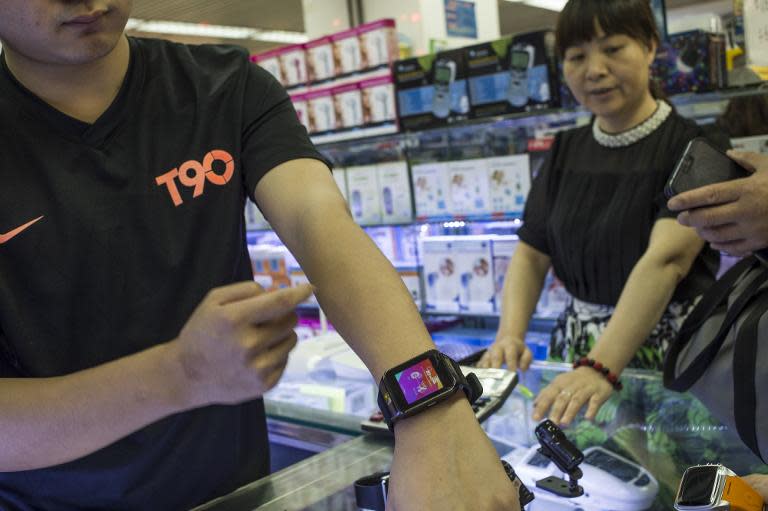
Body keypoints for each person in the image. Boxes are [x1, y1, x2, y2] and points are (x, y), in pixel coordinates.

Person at [0, 1, 520, 510]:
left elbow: (320, 224)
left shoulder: (225, 87)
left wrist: (429, 405)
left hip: (239, 492)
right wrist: (181, 374)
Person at [478, 0, 721, 427]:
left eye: (612, 48)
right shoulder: (564, 150)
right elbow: (532, 253)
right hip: (578, 358)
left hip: (667, 355)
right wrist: (509, 335)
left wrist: (602, 366)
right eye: (577, 56)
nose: (594, 69)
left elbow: (667, 262)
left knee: (669, 483)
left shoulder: (696, 146)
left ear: (649, 47)